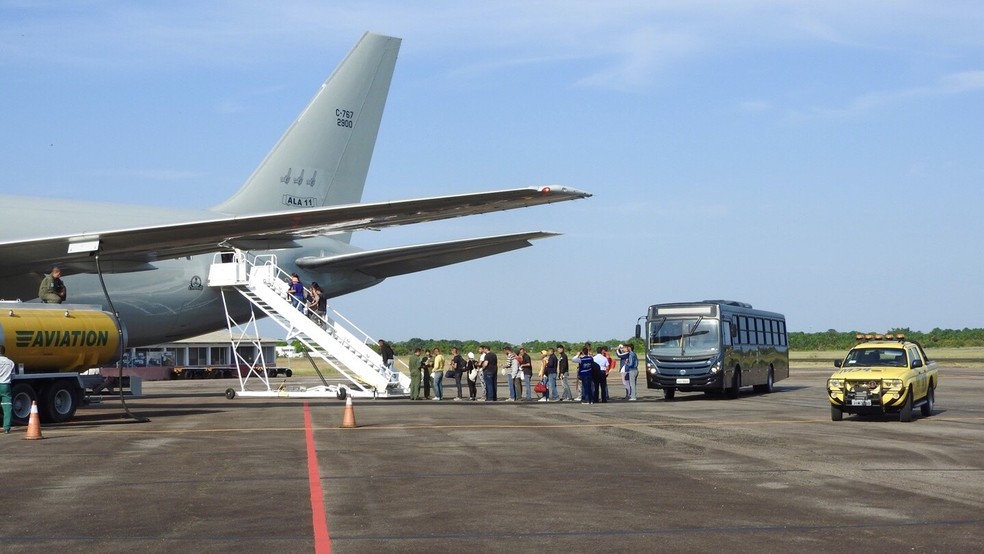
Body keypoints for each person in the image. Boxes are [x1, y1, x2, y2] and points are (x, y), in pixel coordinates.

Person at [0, 345, 13, 434]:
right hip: (5, 385)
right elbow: (13, 375)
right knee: (7, 406)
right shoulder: (10, 362)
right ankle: (7, 428)